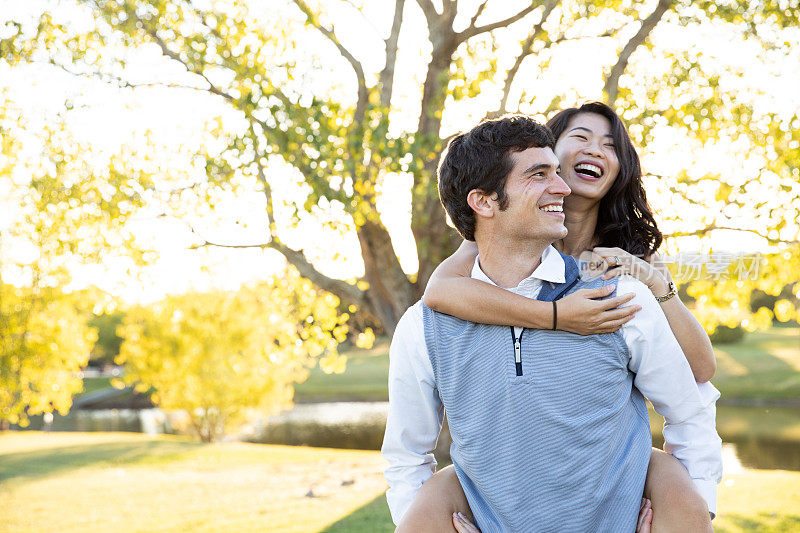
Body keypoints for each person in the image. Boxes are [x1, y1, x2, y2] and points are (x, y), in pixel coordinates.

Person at [381, 114, 722, 532]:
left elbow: (692, 406)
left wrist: (693, 509)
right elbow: (406, 456)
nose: (563, 188)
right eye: (540, 174)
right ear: (484, 201)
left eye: (556, 173)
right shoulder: (425, 326)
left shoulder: (619, 296)